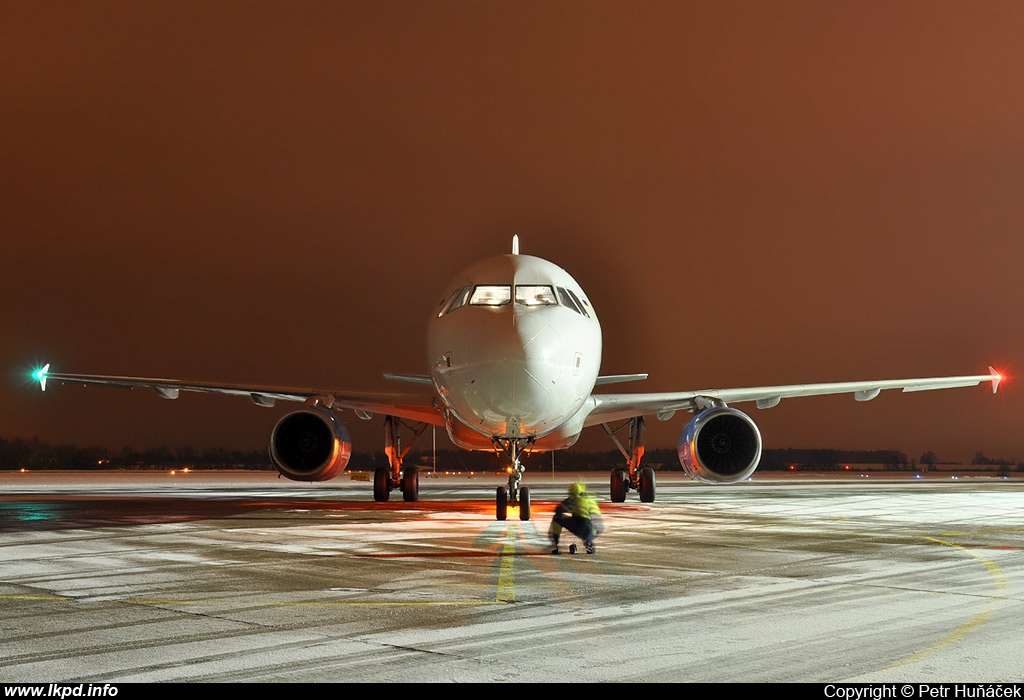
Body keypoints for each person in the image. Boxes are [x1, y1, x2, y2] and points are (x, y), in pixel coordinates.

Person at [549, 481, 603, 554]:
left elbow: (558, 510)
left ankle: (555, 545)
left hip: (583, 525)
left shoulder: (574, 500)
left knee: (557, 519)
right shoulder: (590, 500)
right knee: (586, 525)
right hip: (596, 530)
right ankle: (589, 543)